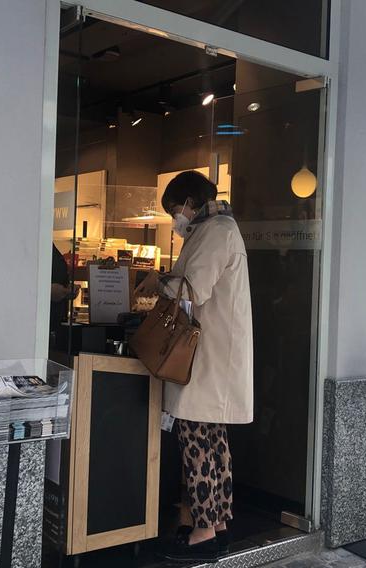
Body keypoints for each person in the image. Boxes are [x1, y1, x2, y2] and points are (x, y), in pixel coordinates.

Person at [134, 171, 253, 562]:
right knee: (214, 443)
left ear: (188, 201)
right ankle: (217, 526)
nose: (175, 218)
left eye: (175, 209)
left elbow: (193, 288)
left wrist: (158, 283)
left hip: (207, 359)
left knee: (197, 442)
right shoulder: (219, 228)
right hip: (215, 356)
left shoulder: (215, 231)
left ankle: (203, 531)